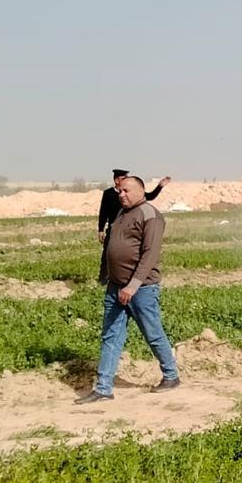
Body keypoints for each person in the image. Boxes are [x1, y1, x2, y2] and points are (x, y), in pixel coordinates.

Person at [78, 174, 179, 404]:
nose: (121, 195)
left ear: (141, 191)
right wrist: (108, 277)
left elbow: (150, 254)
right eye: (119, 191)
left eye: (126, 191)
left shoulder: (150, 215)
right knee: (111, 336)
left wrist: (133, 286)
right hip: (116, 287)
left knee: (152, 333)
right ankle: (103, 388)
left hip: (141, 289)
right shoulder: (122, 213)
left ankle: (171, 375)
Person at [98, 168, 170, 244]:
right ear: (116, 180)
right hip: (113, 228)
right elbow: (103, 212)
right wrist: (101, 230)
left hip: (128, 227)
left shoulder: (132, 192)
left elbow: (150, 196)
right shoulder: (108, 193)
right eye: (123, 179)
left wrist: (160, 186)